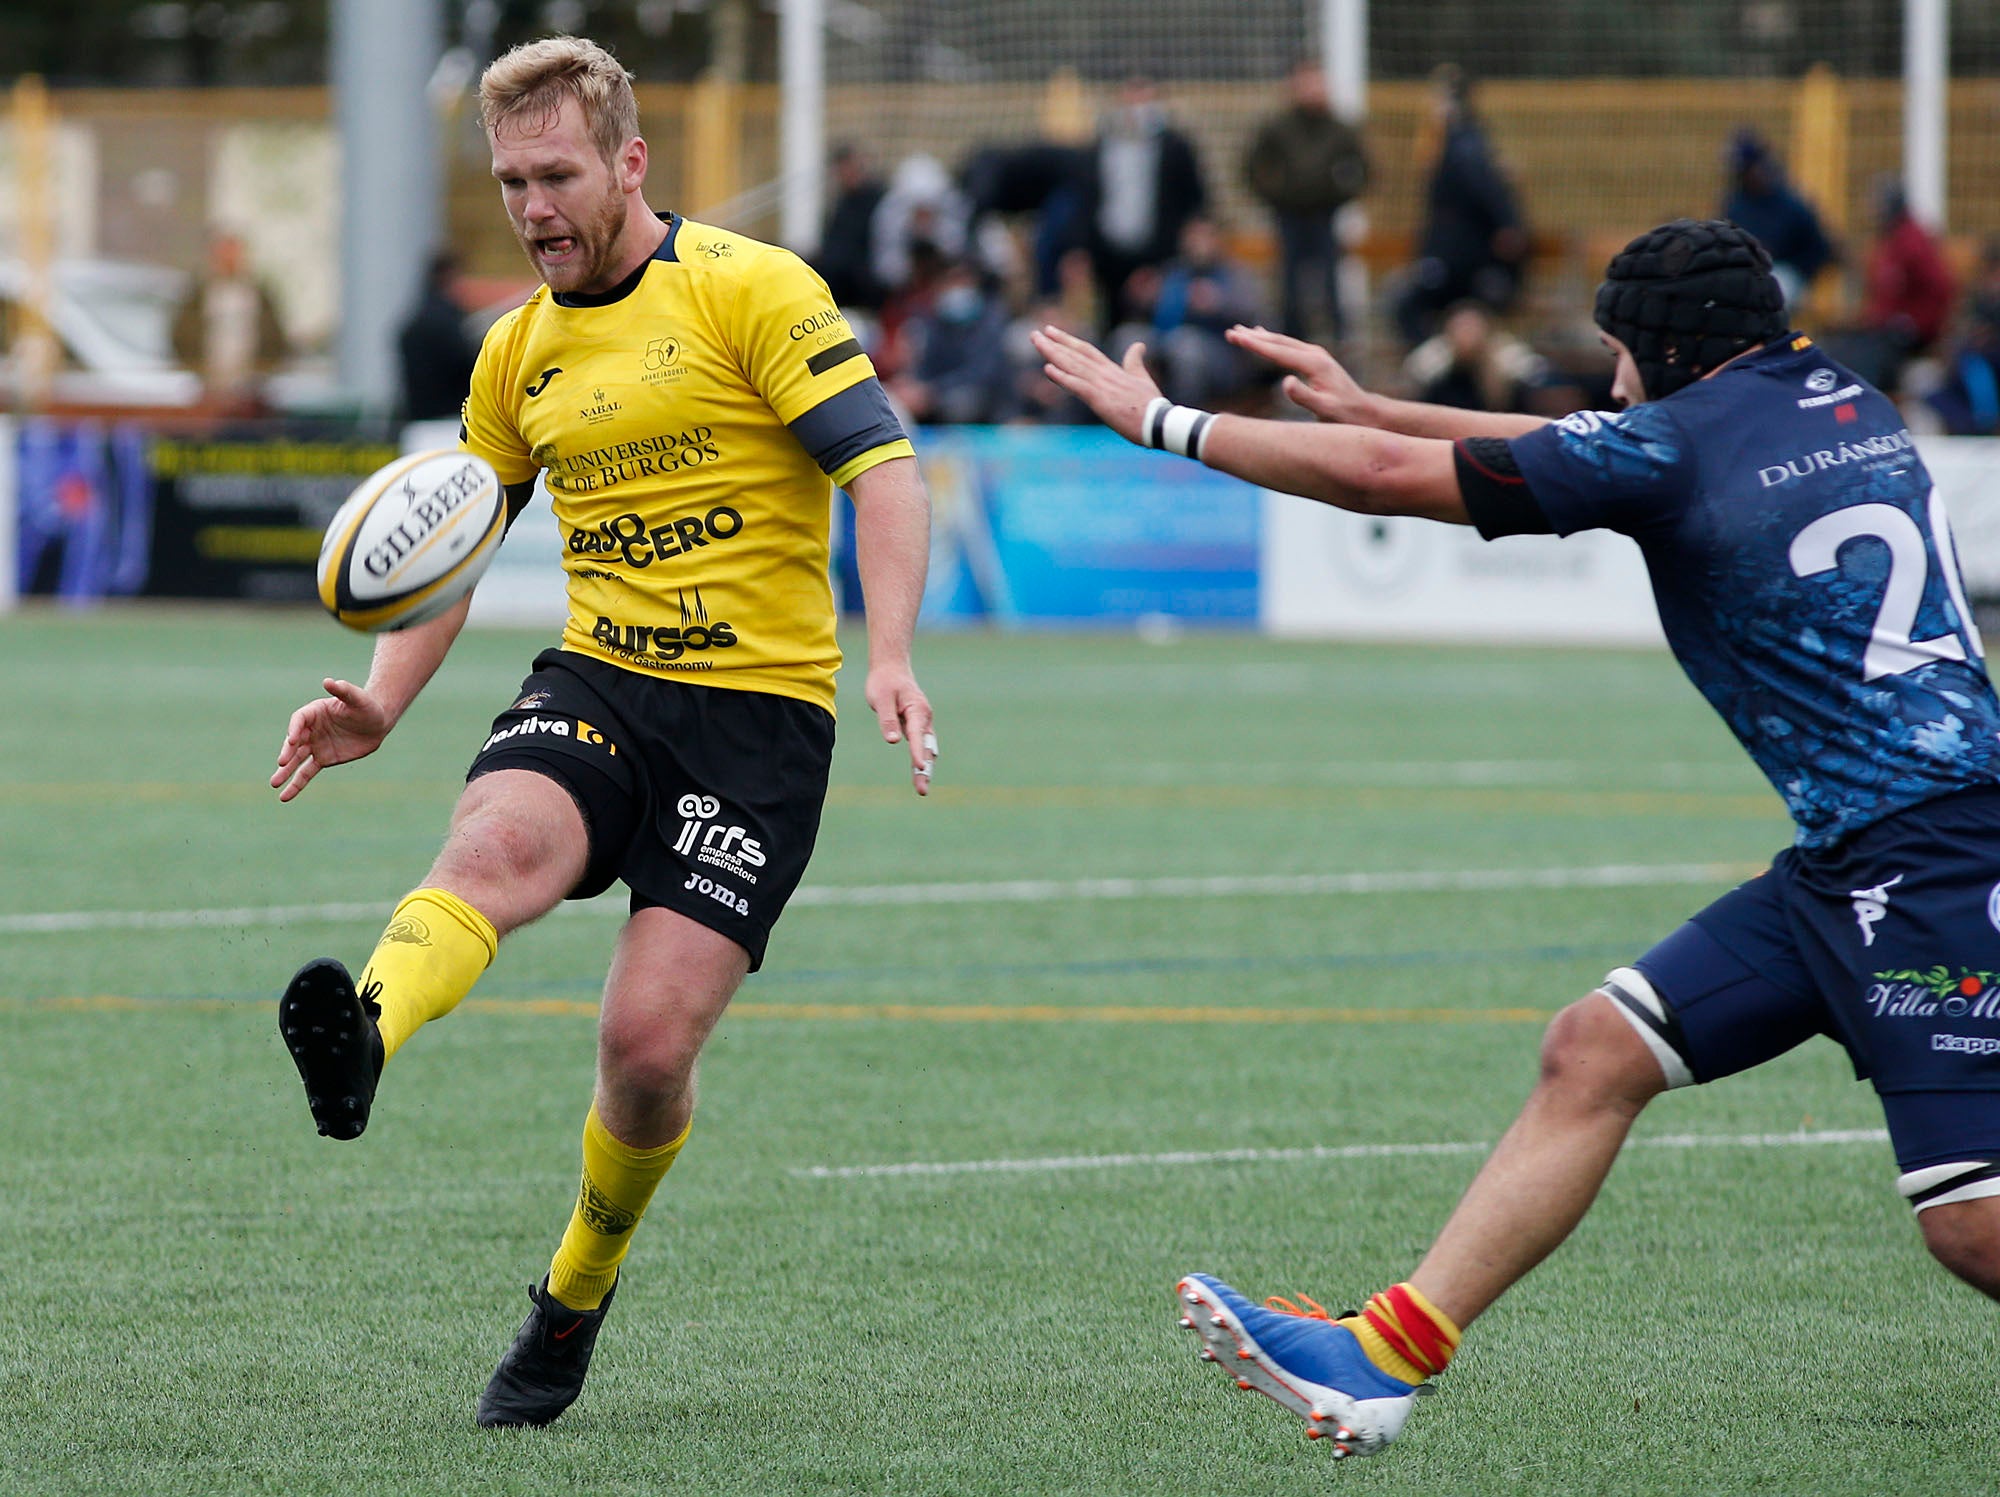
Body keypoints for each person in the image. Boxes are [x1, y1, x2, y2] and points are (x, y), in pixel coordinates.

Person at [1034, 218, 2000, 1459]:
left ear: (1664, 350)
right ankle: (1379, 1360)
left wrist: (1168, 427)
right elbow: (1592, 448)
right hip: (1856, 855)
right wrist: (1370, 400)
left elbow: (1401, 483)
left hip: (1928, 862)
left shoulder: (1673, 444)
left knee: (1970, 1223)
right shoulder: (1834, 395)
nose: (1608, 380)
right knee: (1592, 1052)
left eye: (1616, 353)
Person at [271, 36, 937, 1430]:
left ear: (632, 162)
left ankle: (570, 1302)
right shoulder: (516, 350)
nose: (533, 208)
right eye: (511, 182)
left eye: (557, 174)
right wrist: (380, 703)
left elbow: (882, 468)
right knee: (496, 840)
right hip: (603, 683)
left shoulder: (751, 290)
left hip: (758, 728)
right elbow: (451, 549)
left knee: (643, 1046)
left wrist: (890, 656)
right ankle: (365, 1041)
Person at [1393, 66, 1527, 347]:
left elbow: (1484, 190)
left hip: (1459, 256)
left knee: (1409, 307)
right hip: (1458, 253)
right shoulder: (1462, 142)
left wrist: (1507, 224)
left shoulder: (1463, 146)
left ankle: (1439, 366)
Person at [1242, 58, 1368, 344]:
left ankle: (1339, 343)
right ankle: (1290, 343)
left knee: (1330, 281)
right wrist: (1277, 196)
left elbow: (1363, 170)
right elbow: (1252, 168)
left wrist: (1337, 195)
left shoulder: (1339, 128)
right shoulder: (1278, 128)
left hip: (1324, 216)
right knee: (1290, 285)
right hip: (1289, 217)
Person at [1081, 77, 1208, 332]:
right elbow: (1087, 197)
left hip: (1161, 253)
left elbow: (1194, 196)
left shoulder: (1176, 146)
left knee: (1160, 321)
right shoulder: (1101, 144)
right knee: (1113, 322)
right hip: (1110, 253)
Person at [1721, 128, 1834, 312]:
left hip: (1786, 272)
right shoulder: (1735, 204)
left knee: (1773, 287)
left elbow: (1820, 248)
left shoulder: (1791, 204)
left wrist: (1803, 271)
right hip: (1746, 275)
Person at [396, 249, 481, 421]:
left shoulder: (413, 322)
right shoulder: (449, 325)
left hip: (417, 422)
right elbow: (469, 368)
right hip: (449, 422)